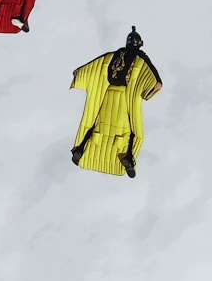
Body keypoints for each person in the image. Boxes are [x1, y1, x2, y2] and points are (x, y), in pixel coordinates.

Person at [69, 26, 162, 178]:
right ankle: (129, 159)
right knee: (136, 133)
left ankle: (80, 149)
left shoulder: (113, 55)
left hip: (107, 95)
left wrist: (79, 73)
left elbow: (89, 68)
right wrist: (150, 91)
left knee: (94, 124)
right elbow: (157, 85)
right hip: (125, 100)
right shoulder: (140, 58)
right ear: (139, 43)